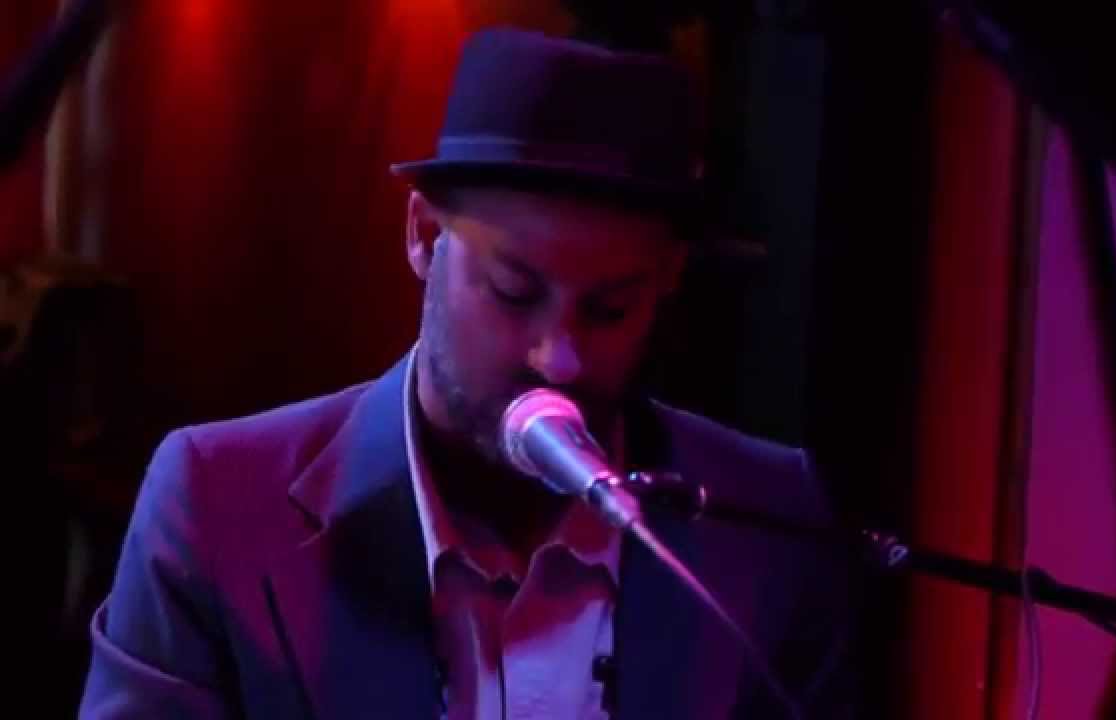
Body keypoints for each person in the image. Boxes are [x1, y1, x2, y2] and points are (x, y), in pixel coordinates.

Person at [79, 27, 856, 719]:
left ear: (669, 280)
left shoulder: (769, 523)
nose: (559, 358)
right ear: (423, 235)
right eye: (514, 292)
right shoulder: (218, 501)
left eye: (610, 309)